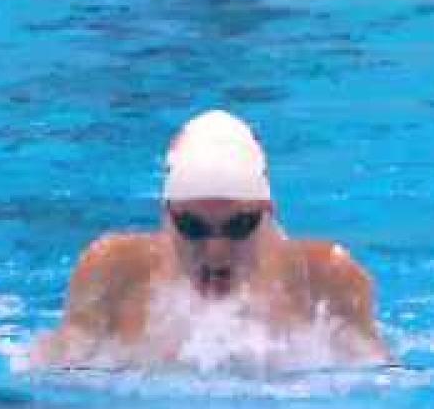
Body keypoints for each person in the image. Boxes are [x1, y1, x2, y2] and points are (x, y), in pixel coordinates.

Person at [31, 109, 389, 370]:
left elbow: (383, 387)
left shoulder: (327, 279)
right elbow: (52, 379)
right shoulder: (113, 272)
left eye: (239, 226)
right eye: (193, 227)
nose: (216, 252)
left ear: (269, 213)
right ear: (166, 216)